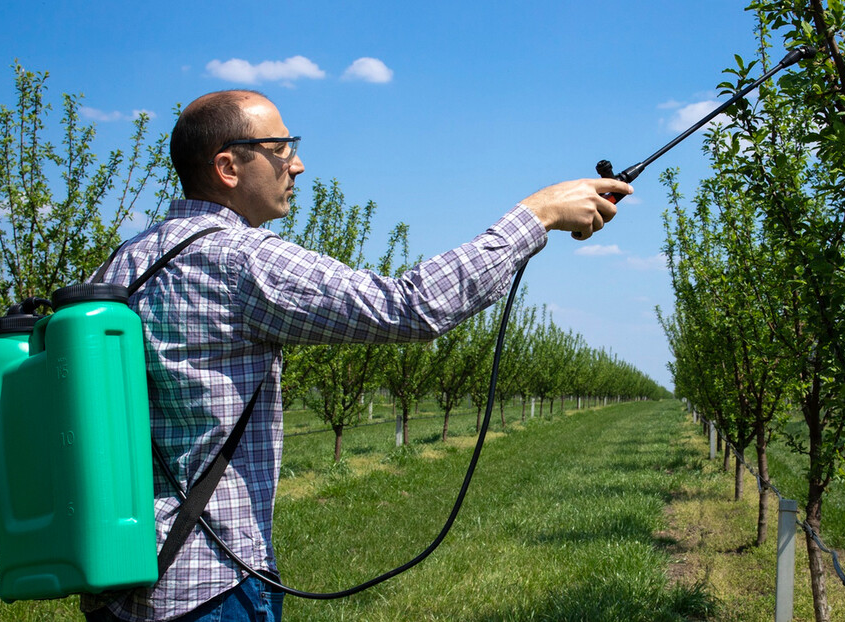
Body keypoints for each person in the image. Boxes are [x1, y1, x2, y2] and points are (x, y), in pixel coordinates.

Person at [81, 89, 631, 622]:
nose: (296, 166)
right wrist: (535, 216)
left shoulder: (124, 263)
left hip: (125, 569)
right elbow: (407, 307)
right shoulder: (235, 259)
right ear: (228, 167)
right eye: (282, 149)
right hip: (212, 582)